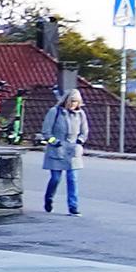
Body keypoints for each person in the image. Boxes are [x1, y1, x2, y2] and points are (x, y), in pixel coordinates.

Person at [41, 83, 85, 215]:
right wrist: (55, 142)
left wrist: (79, 141)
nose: (73, 104)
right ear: (66, 100)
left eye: (76, 102)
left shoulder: (81, 114)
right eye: (71, 101)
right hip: (57, 150)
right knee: (55, 178)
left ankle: (73, 207)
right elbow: (46, 132)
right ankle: (49, 199)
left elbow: (84, 132)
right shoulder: (55, 112)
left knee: (72, 179)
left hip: (73, 151)